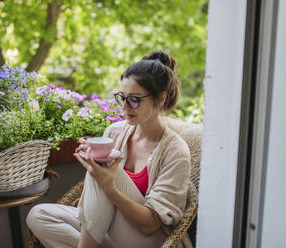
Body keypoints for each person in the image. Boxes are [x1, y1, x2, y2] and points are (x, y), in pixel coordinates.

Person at [26, 50, 193, 248]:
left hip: (150, 239)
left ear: (161, 99)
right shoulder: (114, 132)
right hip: (110, 231)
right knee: (38, 216)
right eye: (122, 97)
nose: (124, 107)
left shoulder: (176, 151)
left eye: (134, 99)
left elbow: (150, 225)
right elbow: (96, 207)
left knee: (104, 170)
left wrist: (108, 187)